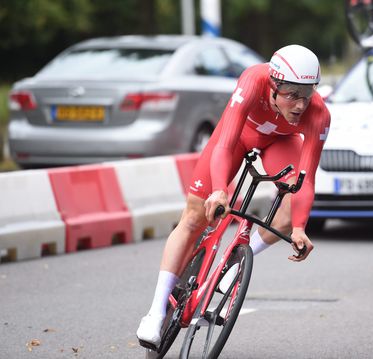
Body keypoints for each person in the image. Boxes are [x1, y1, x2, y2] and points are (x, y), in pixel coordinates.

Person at [137, 44, 331, 346]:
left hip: (279, 142)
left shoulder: (318, 114)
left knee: (292, 209)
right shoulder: (253, 80)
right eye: (292, 94)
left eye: (307, 95)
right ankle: (155, 312)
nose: (300, 104)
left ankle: (234, 266)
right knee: (194, 217)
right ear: (274, 85)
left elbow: (307, 179)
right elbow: (225, 145)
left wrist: (299, 229)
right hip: (237, 138)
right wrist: (219, 190)